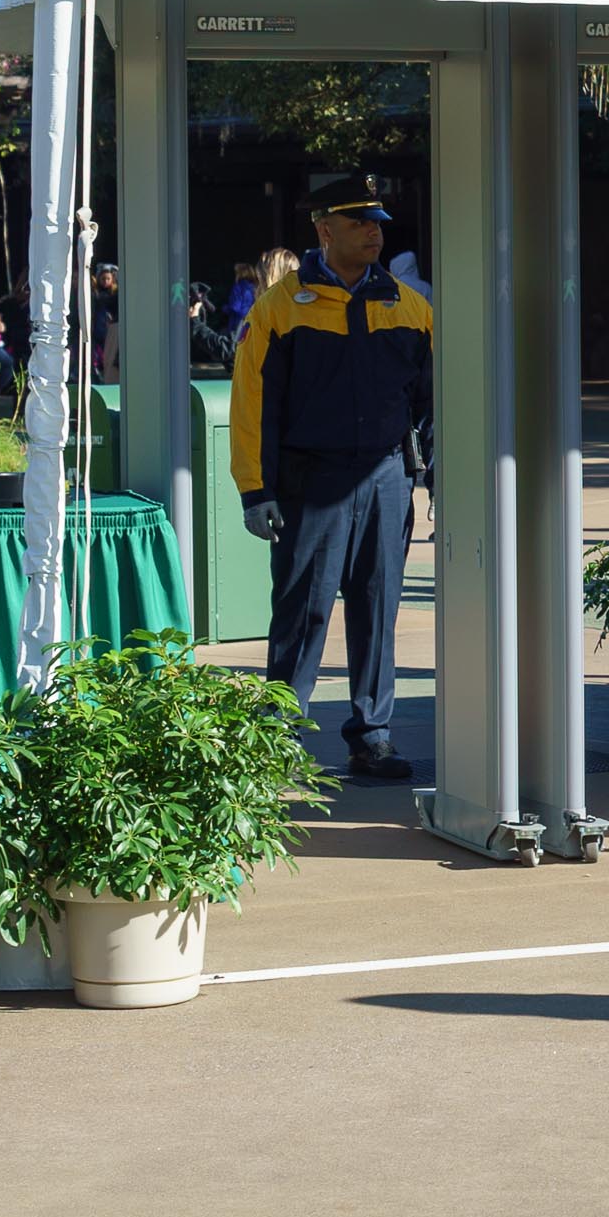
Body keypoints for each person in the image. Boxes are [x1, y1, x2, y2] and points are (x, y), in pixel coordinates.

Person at [231, 174, 434, 781]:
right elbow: (251, 405)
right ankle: (278, 742)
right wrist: (255, 490)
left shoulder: (409, 305)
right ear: (324, 231)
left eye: (378, 222)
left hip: (385, 476)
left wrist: (438, 475)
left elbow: (432, 403)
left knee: (377, 608)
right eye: (359, 221)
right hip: (309, 480)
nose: (374, 231)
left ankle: (371, 737)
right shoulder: (277, 309)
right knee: (303, 613)